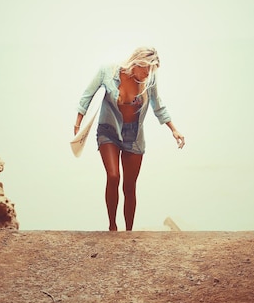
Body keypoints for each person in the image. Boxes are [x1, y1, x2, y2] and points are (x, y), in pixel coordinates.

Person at [74, 47, 185, 231]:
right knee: (113, 176)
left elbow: (159, 106)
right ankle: (112, 227)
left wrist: (174, 130)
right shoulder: (107, 72)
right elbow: (87, 96)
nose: (147, 73)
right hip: (108, 129)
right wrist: (78, 126)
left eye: (151, 70)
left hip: (134, 135)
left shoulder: (150, 80)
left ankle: (128, 232)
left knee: (130, 186)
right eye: (145, 68)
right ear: (137, 62)